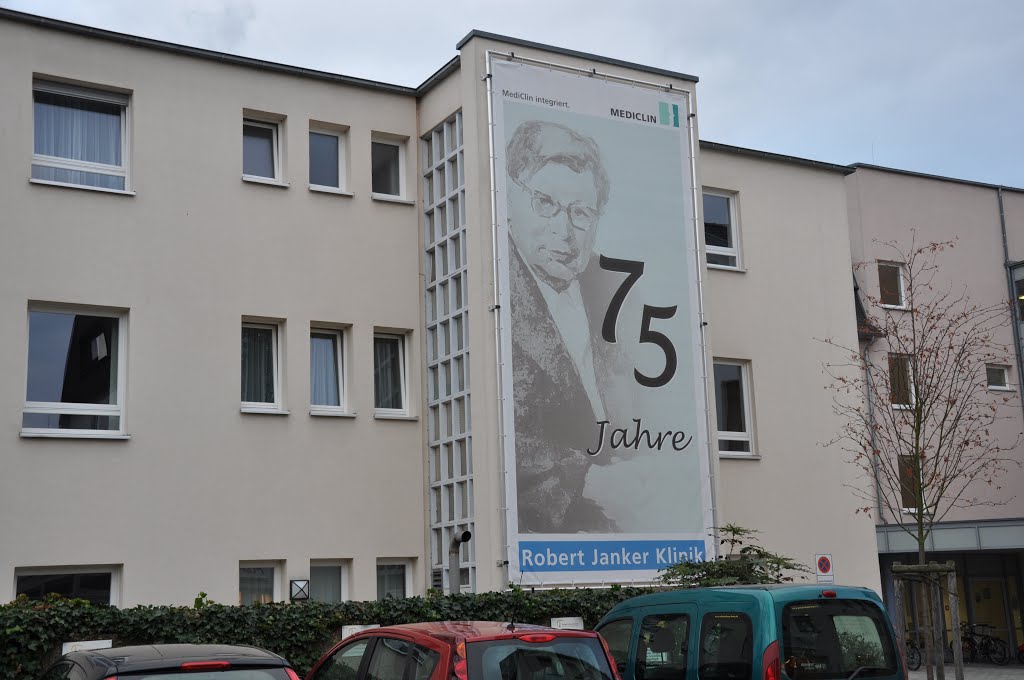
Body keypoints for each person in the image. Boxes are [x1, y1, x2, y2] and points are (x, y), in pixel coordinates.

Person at [505, 119, 626, 534]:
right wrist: (589, 480)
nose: (565, 231)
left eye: (581, 213)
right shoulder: (494, 289)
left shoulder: (609, 286)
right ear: (509, 197)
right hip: (553, 530)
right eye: (545, 203)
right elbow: (495, 433)